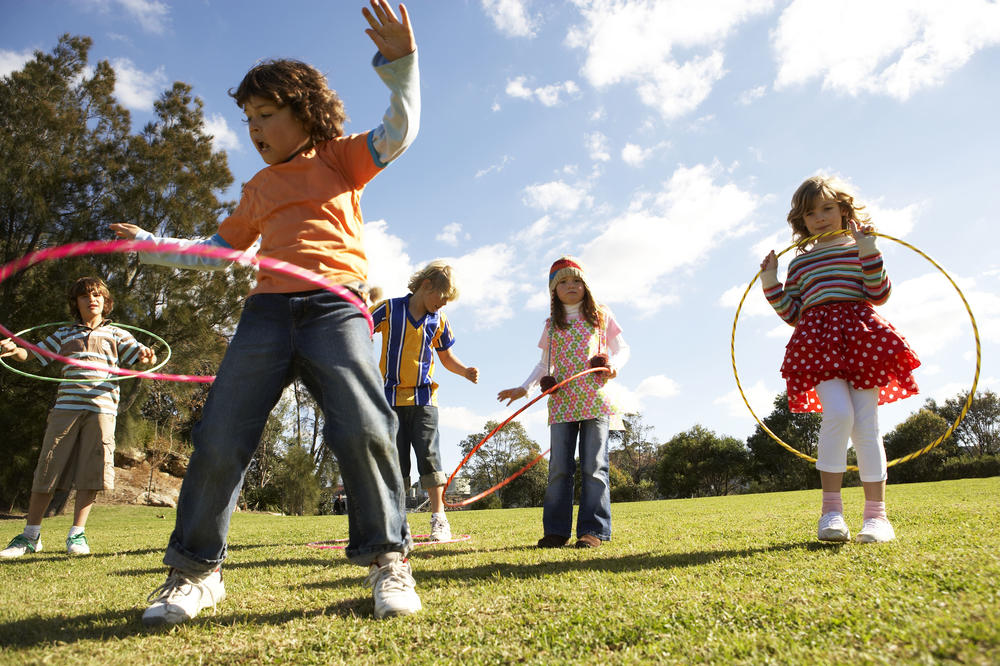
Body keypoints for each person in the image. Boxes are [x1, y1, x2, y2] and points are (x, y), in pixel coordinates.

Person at [110, 0, 422, 623]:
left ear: (304, 112)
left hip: (335, 307)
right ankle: (194, 573)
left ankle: (388, 560)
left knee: (364, 425)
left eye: (266, 114)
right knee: (220, 435)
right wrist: (151, 245)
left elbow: (399, 131)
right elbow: (215, 252)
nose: (254, 129)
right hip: (266, 314)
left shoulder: (339, 157)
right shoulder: (257, 188)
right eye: (248, 118)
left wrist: (402, 68)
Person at [760, 175, 920, 544]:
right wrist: (770, 280)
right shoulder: (800, 264)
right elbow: (793, 313)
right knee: (838, 413)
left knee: (866, 426)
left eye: (827, 209)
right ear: (801, 221)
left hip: (862, 340)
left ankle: (877, 517)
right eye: (810, 213)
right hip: (818, 343)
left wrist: (868, 249)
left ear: (844, 210)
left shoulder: (858, 248)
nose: (819, 218)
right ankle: (831, 513)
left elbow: (879, 293)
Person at [0, 277, 155, 559]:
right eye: (85, 296)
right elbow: (31, 354)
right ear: (76, 303)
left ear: (106, 302)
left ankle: (77, 534)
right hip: (66, 409)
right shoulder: (64, 334)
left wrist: (148, 356)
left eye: (97, 295)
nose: (91, 299)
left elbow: (143, 358)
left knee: (91, 471)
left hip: (102, 410)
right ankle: (30, 535)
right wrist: (14, 350)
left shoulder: (118, 334)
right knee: (48, 467)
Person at [497, 257, 629, 549]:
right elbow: (544, 364)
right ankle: (556, 531)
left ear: (586, 285)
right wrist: (524, 388)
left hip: (595, 400)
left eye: (577, 281)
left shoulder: (601, 316)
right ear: (553, 291)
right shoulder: (551, 325)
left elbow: (622, 348)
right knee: (559, 468)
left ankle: (593, 531)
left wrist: (613, 365)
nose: (571, 286)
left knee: (594, 466)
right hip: (562, 402)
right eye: (564, 282)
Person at [371, 261, 479, 542]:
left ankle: (439, 519)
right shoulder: (389, 309)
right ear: (426, 285)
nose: (443, 304)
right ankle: (395, 522)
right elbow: (362, 327)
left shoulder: (438, 320)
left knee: (430, 457)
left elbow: (446, 357)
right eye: (442, 297)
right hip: (390, 399)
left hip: (424, 399)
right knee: (395, 462)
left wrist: (464, 371)